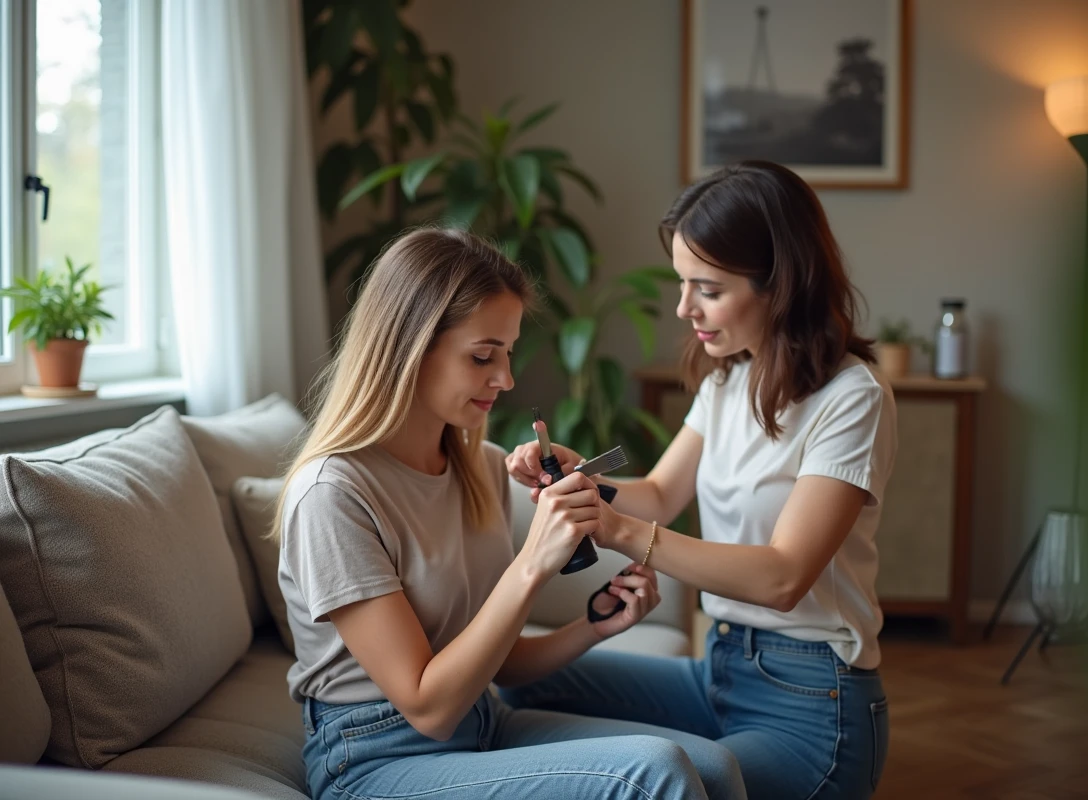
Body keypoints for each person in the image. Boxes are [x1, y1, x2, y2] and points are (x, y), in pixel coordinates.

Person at [272, 227, 746, 800]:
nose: (506, 379)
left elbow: (496, 663)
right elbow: (428, 706)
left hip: (482, 722)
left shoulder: (481, 469)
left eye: (509, 352)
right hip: (375, 759)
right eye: (482, 356)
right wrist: (533, 563)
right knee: (654, 772)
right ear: (408, 348)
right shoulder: (333, 495)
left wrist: (595, 625)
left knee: (714, 767)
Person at [505, 161, 897, 799]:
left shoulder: (853, 398)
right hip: (721, 668)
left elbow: (782, 578)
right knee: (522, 684)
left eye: (707, 289)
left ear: (781, 284)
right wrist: (580, 477)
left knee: (689, 780)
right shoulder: (729, 378)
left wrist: (618, 529)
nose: (684, 307)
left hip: (811, 702)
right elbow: (660, 495)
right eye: (683, 283)